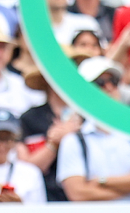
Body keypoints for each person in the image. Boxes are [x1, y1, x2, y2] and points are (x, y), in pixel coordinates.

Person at [56, 57, 130, 201]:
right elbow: (78, 194)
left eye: (114, 82)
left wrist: (101, 181)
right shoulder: (73, 141)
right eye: (100, 83)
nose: (109, 87)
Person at [17, 61, 83, 202]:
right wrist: (54, 144)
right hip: (42, 195)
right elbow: (24, 169)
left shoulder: (87, 118)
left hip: (81, 196)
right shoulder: (30, 118)